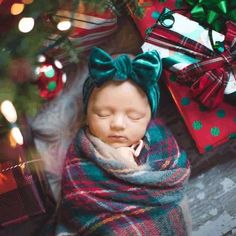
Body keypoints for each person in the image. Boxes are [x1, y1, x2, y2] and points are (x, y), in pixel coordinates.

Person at [55, 47, 191, 235]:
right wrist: (116, 162)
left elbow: (173, 192)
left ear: (149, 117)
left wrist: (134, 169)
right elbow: (76, 204)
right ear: (86, 114)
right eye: (103, 114)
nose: (118, 124)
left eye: (134, 116)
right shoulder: (79, 160)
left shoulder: (165, 151)